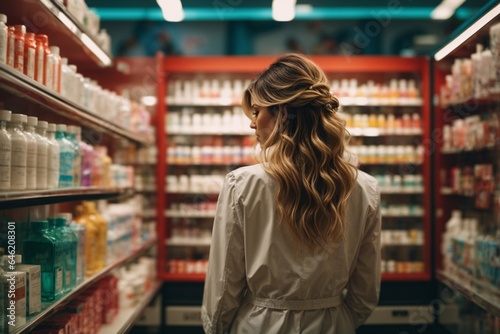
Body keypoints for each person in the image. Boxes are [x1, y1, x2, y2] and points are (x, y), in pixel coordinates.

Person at [201, 53, 381, 334]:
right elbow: (366, 290)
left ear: (282, 114)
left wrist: (216, 328)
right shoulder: (364, 188)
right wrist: (338, 318)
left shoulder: (242, 184)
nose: (252, 123)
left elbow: (224, 284)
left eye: (257, 111)